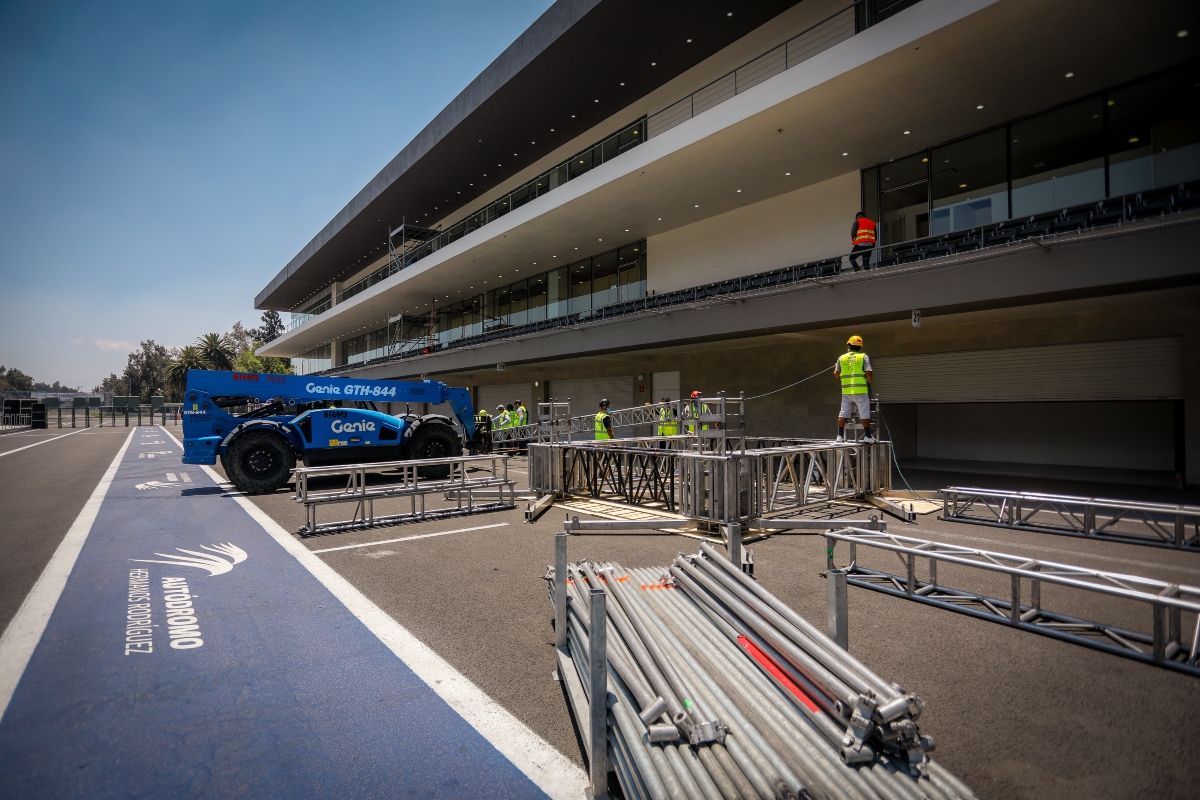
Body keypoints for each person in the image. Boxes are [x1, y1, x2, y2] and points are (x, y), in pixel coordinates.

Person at [834, 335, 875, 443]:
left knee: (843, 413)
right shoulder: (863, 356)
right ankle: (867, 436)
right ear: (860, 346)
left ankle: (840, 436)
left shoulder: (841, 358)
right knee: (864, 413)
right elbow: (869, 372)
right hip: (861, 390)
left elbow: (836, 375)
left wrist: (835, 368)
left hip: (846, 391)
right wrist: (869, 381)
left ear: (849, 345)